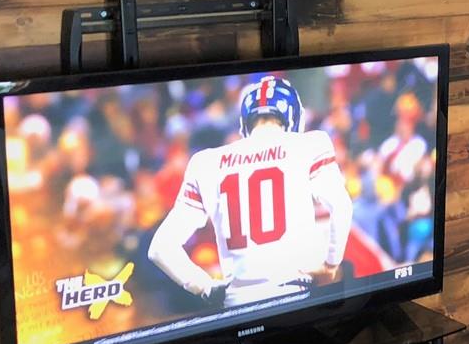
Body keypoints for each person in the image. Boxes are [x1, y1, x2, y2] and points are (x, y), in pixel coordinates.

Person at [148, 76, 353, 307]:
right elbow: (342, 207)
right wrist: (330, 265)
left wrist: (205, 287)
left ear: (245, 121)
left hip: (239, 305)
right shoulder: (311, 144)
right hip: (295, 296)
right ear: (293, 115)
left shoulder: (204, 163)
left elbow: (160, 249)